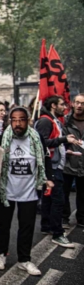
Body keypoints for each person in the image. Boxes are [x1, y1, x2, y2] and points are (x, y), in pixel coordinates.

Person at [0, 107, 54, 275]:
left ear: (28, 120)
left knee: (27, 226)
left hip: (29, 191)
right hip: (6, 191)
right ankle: (1, 254)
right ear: (10, 121)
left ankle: (24, 260)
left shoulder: (36, 137)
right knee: (3, 225)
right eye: (14, 120)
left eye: (22, 119)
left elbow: (45, 157)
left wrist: (48, 178)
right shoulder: (1, 139)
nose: (18, 123)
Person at [35, 95, 80, 248]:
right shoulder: (45, 121)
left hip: (54, 164)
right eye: (62, 104)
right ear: (53, 105)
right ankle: (57, 233)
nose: (65, 107)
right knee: (58, 200)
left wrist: (65, 151)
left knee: (49, 198)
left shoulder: (52, 120)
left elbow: (51, 144)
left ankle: (47, 226)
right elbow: (42, 143)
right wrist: (64, 140)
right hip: (51, 167)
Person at [63, 94, 84, 228]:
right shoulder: (65, 120)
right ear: (72, 104)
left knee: (82, 194)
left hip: (83, 163)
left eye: (82, 103)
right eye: (77, 102)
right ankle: (64, 217)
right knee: (64, 193)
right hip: (68, 162)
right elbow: (59, 138)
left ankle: (81, 218)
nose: (79, 106)